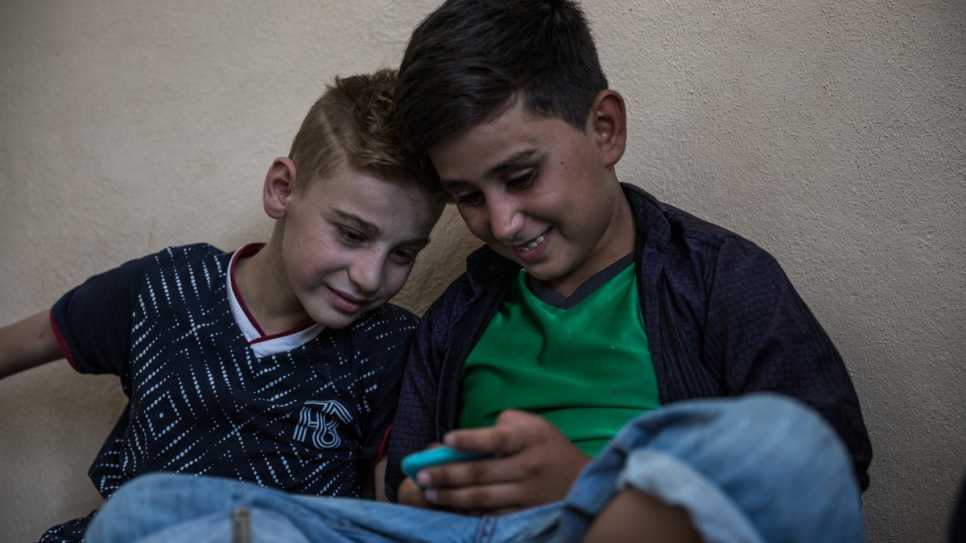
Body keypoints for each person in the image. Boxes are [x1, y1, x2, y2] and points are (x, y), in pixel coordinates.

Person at [83, 0, 872, 541]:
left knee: (789, 445)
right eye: (466, 196)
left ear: (604, 128)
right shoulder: (459, 314)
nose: (500, 224)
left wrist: (585, 482)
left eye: (522, 176)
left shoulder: (718, 275)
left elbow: (836, 464)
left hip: (607, 518)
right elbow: (403, 493)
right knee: (147, 508)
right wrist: (429, 488)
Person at [0, 69, 445, 542]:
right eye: (352, 234)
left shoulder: (390, 345)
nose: (370, 277)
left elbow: (392, 510)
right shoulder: (167, 287)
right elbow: (36, 339)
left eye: (404, 254)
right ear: (281, 190)